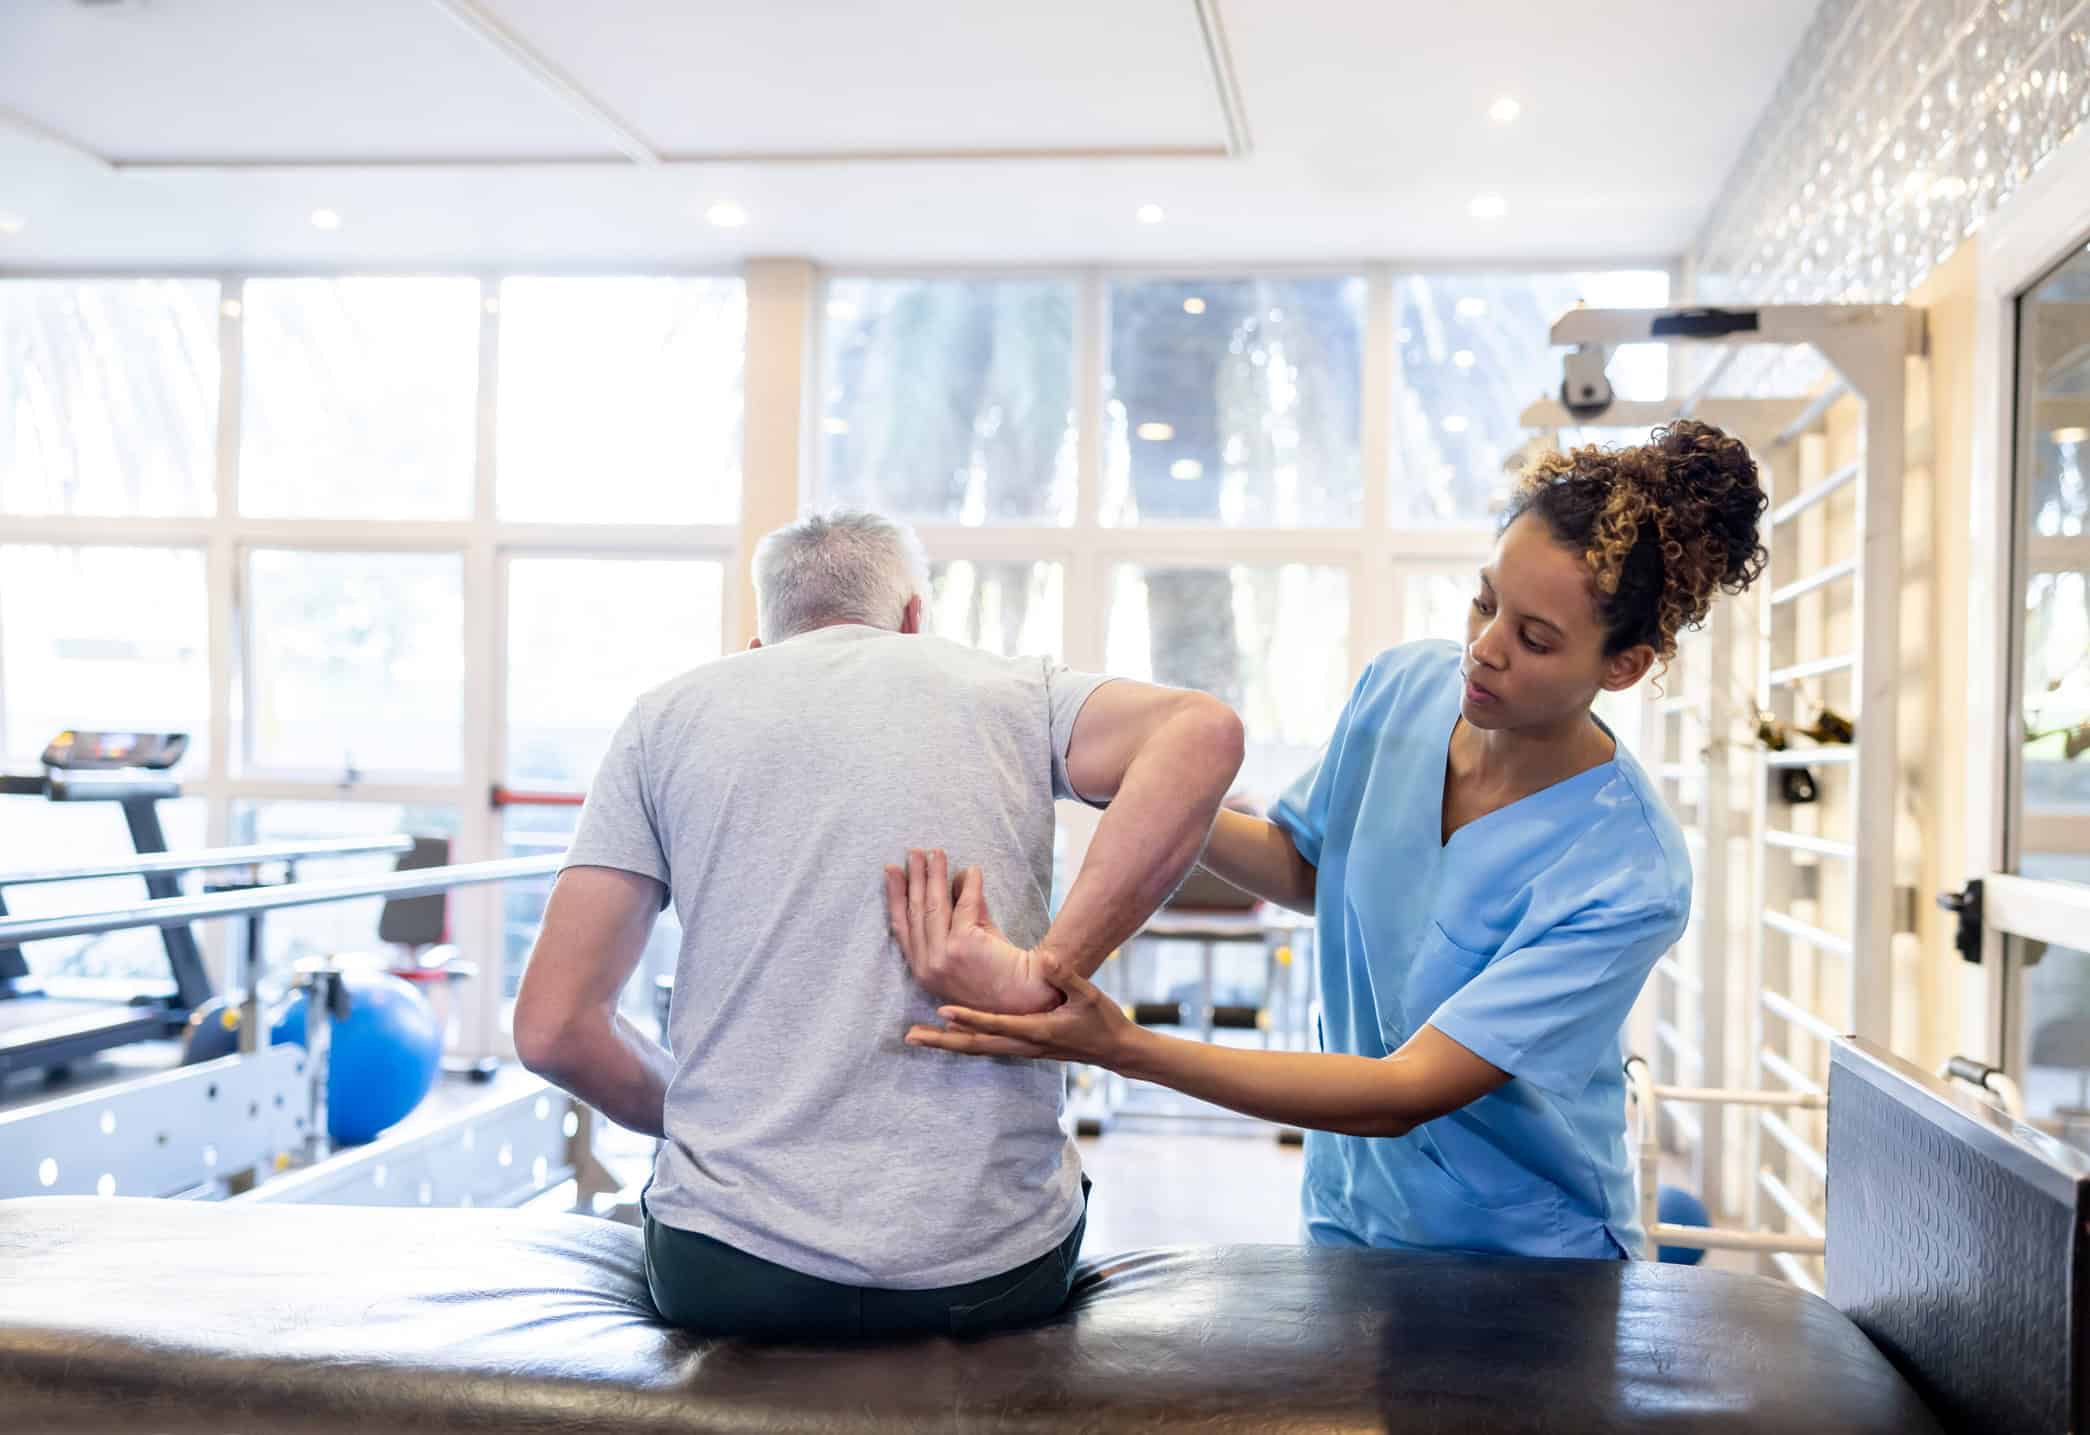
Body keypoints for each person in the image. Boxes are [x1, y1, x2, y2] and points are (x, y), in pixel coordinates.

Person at [898, 419, 1769, 1260]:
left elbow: (1404, 1091)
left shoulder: (1628, 870)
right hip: (1350, 1214)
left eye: (1534, 639)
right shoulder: (1403, 688)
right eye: (1484, 600)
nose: (1483, 649)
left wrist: (1123, 1047)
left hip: (1524, 1254)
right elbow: (1311, 865)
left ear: (1623, 667)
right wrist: (1162, 791)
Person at [511, 510, 1244, 1340]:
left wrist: (713, 1117)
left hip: (722, 1269)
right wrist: (1046, 972)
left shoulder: (668, 715)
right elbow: (1205, 734)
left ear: (763, 646)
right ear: (912, 619)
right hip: (995, 1273)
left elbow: (553, 1030)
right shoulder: (1015, 690)